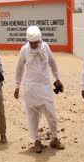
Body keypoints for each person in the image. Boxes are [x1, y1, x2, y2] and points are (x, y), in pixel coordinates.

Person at [14, 25, 64, 153]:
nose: (33, 45)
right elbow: (19, 67)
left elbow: (52, 62)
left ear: (39, 40)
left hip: (45, 86)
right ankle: (36, 140)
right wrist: (17, 85)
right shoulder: (24, 50)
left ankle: (54, 139)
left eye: (35, 43)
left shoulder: (45, 47)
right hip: (31, 87)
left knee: (51, 113)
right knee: (32, 116)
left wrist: (57, 78)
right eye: (31, 43)